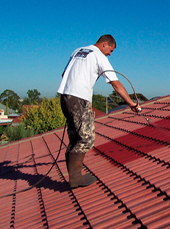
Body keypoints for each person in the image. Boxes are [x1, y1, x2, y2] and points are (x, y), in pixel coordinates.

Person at [58, 34, 141, 188]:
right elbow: (115, 84)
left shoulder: (78, 51)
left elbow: (65, 74)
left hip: (65, 97)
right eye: (111, 50)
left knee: (75, 138)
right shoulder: (99, 56)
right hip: (79, 98)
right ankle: (75, 178)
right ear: (104, 44)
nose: (110, 54)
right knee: (86, 139)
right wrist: (131, 104)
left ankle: (74, 176)